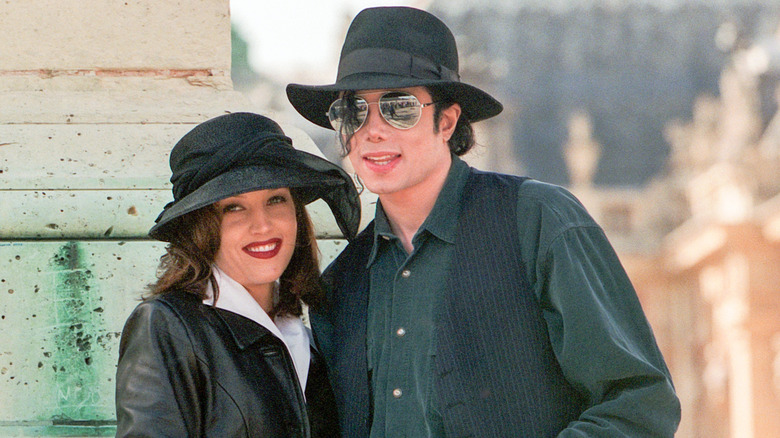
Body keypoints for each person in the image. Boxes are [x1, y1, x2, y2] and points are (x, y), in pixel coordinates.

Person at [286, 6, 681, 438]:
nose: (372, 130)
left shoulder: (537, 221)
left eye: (398, 108)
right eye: (353, 112)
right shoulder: (340, 284)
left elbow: (639, 403)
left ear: (448, 121)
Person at [114, 112, 360, 437]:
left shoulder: (311, 339)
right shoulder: (168, 327)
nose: (263, 225)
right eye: (233, 207)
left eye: (276, 199)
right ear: (202, 228)